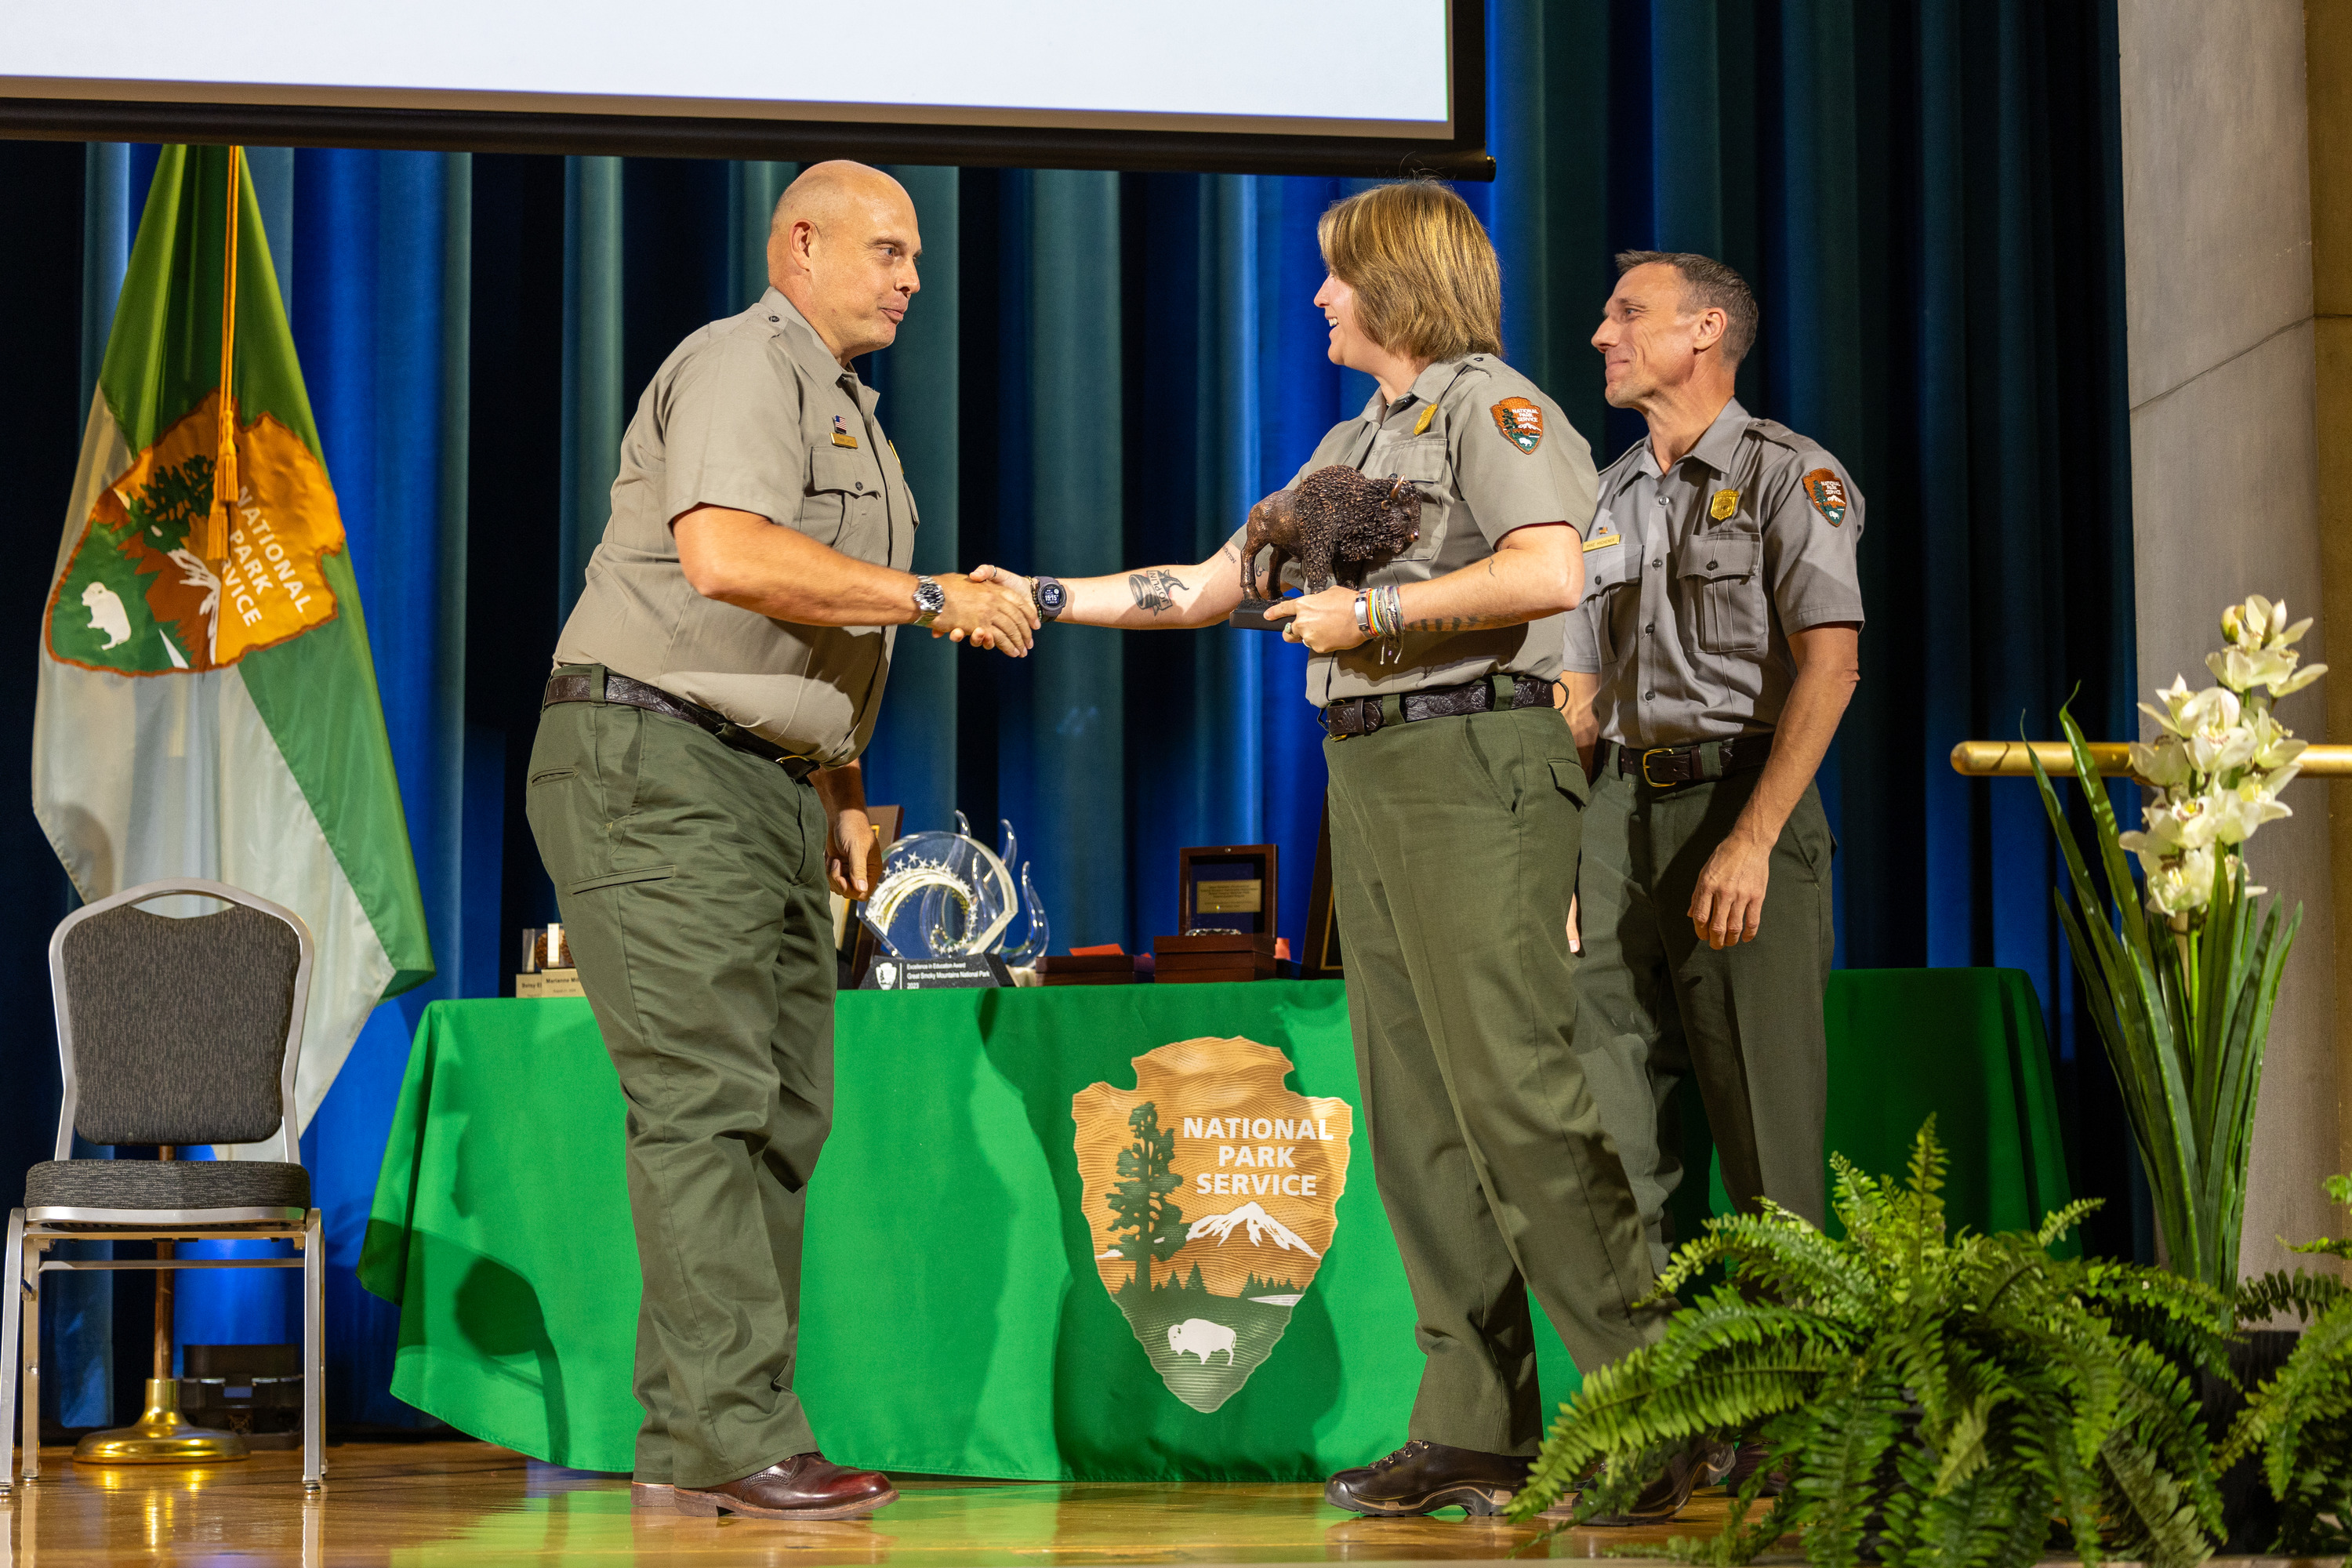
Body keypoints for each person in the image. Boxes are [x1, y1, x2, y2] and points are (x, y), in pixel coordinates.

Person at [975, 181, 1666, 1519]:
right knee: (1415, 1116)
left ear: (1397, 281)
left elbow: (1546, 573)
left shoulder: (1496, 406)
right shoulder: (1355, 441)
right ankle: (1474, 1420)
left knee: (1518, 1094)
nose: (1316, 300)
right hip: (1379, 775)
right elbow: (1215, 583)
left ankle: (1651, 1408)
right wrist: (1041, 597)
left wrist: (1377, 620)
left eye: (1334, 276)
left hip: (1478, 759)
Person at [526, 161, 1036, 1523]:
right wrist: (935, 598)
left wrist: (844, 789)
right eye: (888, 251)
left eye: (917, 257)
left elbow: (822, 627)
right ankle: (744, 1432)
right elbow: (727, 556)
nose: (912, 278)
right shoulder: (748, 364)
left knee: (782, 1106)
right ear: (798, 244)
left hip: (764, 780)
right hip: (654, 757)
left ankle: (687, 1429)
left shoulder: (852, 413)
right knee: (705, 1096)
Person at [1563, 250, 1864, 1272]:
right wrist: (1565, 855)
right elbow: (1578, 693)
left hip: (1742, 805)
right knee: (1606, 1140)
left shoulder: (1790, 474)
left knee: (1769, 1155)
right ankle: (1645, 1416)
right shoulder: (1601, 498)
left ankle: (1789, 1428)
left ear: (1704, 330)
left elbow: (1831, 669)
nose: (1603, 334)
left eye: (1628, 313)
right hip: (1614, 819)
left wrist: (1753, 840)